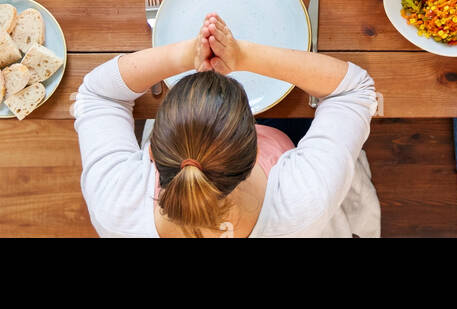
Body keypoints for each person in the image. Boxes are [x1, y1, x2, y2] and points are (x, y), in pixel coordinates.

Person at [74, 13, 380, 237]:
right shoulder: (303, 198)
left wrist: (186, 54)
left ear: (153, 153)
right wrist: (242, 55)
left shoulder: (115, 206)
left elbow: (99, 95)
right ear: (255, 150)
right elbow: (355, 90)